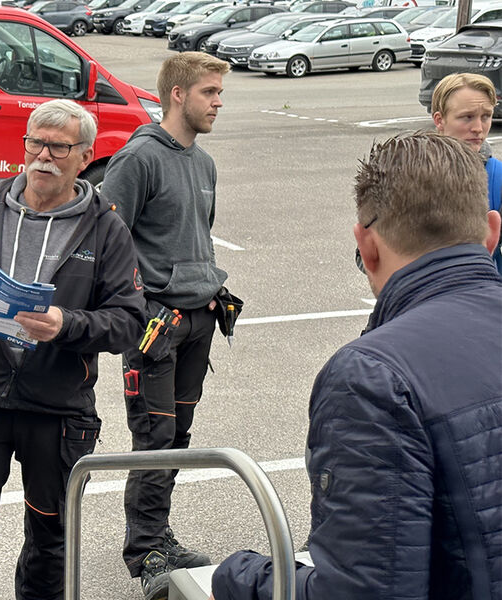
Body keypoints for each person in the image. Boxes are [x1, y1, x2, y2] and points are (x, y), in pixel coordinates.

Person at [211, 131, 502, 600]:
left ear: (367, 246)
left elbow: (361, 591)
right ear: (492, 232)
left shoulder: (373, 377)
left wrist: (241, 579)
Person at [0, 98, 145, 600]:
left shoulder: (105, 228)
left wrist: (67, 324)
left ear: (84, 156)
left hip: (58, 408)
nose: (42, 155)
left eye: (58, 147)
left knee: (51, 541)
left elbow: (130, 321)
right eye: (34, 142)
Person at [101, 52, 230, 600]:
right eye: (209, 92)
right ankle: (147, 552)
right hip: (158, 326)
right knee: (152, 438)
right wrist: (139, 306)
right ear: (177, 94)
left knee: (177, 436)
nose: (218, 102)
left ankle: (161, 536)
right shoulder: (139, 158)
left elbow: (197, 237)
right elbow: (104, 242)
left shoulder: (203, 163)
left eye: (220, 93)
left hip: (200, 319)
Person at [432, 72, 502, 275]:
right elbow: (366, 258)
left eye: (486, 116)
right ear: (439, 119)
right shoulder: (407, 174)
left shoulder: (497, 178)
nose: (478, 128)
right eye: (467, 117)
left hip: (481, 300)